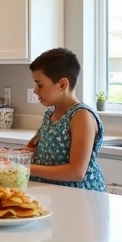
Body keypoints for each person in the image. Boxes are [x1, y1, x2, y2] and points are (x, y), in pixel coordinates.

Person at [24, 48, 105, 192]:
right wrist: (5, 157)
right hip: (52, 193)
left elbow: (77, 172)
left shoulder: (81, 116)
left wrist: (24, 167)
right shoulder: (50, 113)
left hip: (79, 197)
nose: (35, 90)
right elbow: (35, 151)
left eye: (40, 84)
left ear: (62, 85)